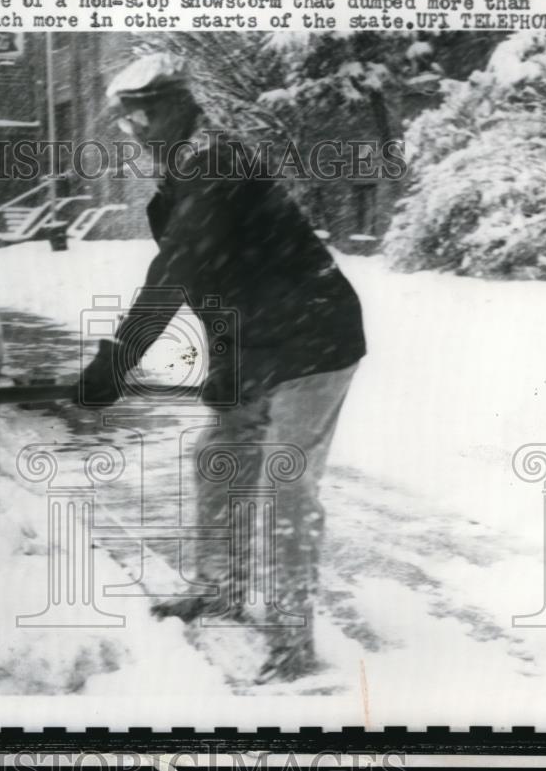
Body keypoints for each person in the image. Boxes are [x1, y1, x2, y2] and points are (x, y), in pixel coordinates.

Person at [77, 53, 366, 683]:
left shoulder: (215, 164)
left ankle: (292, 640)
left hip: (315, 339)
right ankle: (220, 589)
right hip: (261, 342)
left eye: (150, 113)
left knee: (285, 482)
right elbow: (217, 284)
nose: (141, 130)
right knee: (220, 462)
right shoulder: (186, 174)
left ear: (179, 107)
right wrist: (226, 368)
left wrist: (118, 360)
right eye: (132, 120)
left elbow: (176, 274)